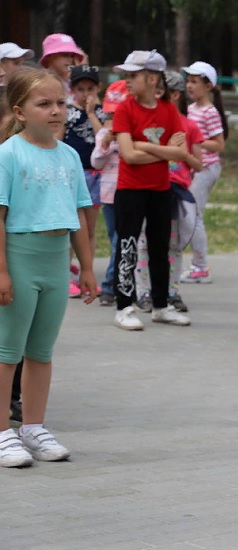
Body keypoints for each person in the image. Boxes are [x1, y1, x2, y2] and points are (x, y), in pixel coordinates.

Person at [0, 68, 97, 468]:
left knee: (41, 351)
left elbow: (80, 213)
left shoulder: (70, 155)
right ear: (20, 112)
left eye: (60, 102)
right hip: (20, 258)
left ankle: (33, 427)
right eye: (44, 104)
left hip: (57, 262)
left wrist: (86, 268)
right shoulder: (8, 154)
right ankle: (3, 432)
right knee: (8, 351)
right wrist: (2, 272)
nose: (56, 110)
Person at [110, 50, 191, 331]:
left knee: (159, 248)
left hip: (160, 189)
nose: (128, 81)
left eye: (133, 75)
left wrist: (144, 145)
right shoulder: (125, 109)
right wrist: (164, 151)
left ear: (152, 78)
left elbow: (181, 153)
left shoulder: (168, 110)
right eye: (127, 75)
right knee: (128, 247)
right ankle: (124, 306)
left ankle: (161, 306)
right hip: (130, 190)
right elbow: (128, 155)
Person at [133, 72, 204, 314]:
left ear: (174, 95)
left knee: (173, 244)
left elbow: (198, 164)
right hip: (149, 186)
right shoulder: (149, 122)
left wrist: (181, 154)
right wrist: (163, 151)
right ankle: (144, 292)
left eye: (162, 94)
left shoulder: (189, 126)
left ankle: (171, 292)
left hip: (176, 191)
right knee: (145, 243)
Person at [179, 61, 228, 284]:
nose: (189, 86)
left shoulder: (210, 112)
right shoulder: (190, 110)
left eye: (195, 82)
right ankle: (195, 263)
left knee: (194, 216)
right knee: (189, 215)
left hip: (206, 168)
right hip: (194, 168)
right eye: (188, 81)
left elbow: (219, 144)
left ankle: (200, 267)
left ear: (208, 86)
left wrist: (195, 141)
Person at [63, 64, 105, 299]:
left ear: (98, 88)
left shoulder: (102, 113)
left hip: (95, 175)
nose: (85, 93)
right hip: (73, 174)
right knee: (73, 226)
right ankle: (66, 275)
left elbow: (104, 139)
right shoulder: (67, 112)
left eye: (90, 88)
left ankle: (86, 275)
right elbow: (59, 140)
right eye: (80, 89)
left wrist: (91, 113)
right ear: (73, 90)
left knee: (89, 228)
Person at [90, 80, 128, 307]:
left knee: (122, 240)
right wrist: (104, 145)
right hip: (108, 194)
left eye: (117, 114)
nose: (112, 120)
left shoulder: (131, 134)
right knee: (115, 239)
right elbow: (95, 163)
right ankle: (113, 284)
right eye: (109, 114)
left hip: (128, 192)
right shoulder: (103, 134)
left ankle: (113, 285)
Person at [38, 34, 84, 99]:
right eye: (65, 55)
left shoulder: (72, 83)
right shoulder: (40, 84)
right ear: (49, 56)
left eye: (72, 56)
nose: (70, 59)